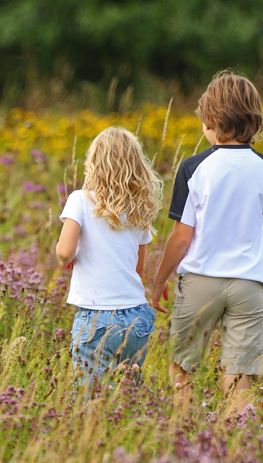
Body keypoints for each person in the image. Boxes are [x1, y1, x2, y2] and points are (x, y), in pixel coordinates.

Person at [150, 71, 263, 415]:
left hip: (201, 281)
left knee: (182, 367)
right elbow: (262, 227)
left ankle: (182, 433)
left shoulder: (194, 167)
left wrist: (159, 280)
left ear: (210, 120)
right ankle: (239, 439)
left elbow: (181, 237)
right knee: (240, 374)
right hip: (249, 284)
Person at [56, 126, 163, 392]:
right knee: (125, 397)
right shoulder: (140, 210)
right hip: (137, 316)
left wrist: (72, 256)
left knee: (89, 401)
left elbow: (64, 251)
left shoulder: (79, 200)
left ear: (93, 163)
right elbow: (137, 269)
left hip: (96, 317)